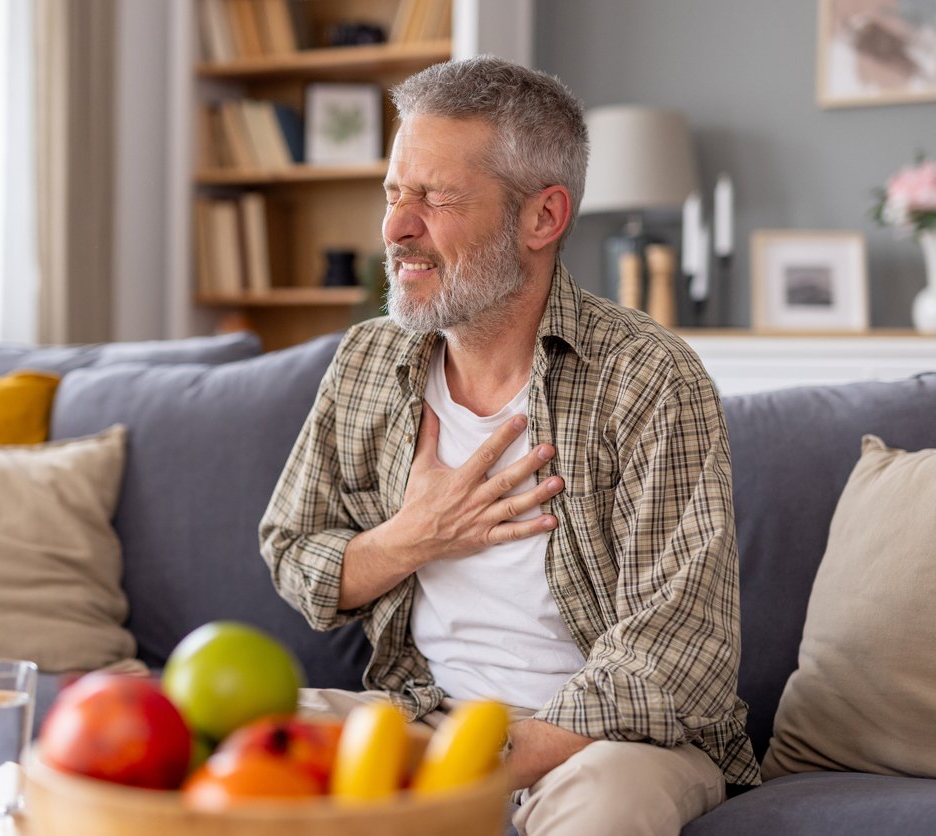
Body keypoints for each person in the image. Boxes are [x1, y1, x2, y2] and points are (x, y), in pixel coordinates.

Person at [259, 55, 760, 836]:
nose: (395, 228)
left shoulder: (650, 377)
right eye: (393, 193)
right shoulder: (366, 360)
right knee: (253, 743)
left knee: (605, 808)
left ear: (542, 217)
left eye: (436, 197)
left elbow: (679, 649)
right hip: (423, 711)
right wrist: (411, 538)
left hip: (610, 742)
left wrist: (481, 768)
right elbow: (291, 552)